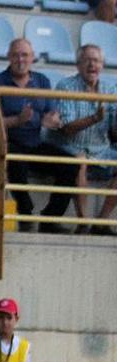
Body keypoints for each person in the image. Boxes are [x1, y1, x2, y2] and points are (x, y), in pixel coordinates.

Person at [0, 38, 75, 234]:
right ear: (9, 57)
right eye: (16, 55)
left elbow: (52, 113)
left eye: (25, 55)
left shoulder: (42, 81)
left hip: (34, 142)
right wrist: (17, 120)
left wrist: (53, 120)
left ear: (32, 58)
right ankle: (26, 214)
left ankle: (50, 219)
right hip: (7, 141)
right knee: (15, 160)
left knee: (71, 164)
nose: (20, 59)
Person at [47, 44, 117, 235]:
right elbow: (68, 129)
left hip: (101, 149)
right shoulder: (66, 86)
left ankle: (101, 221)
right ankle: (83, 222)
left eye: (96, 61)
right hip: (71, 146)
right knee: (79, 161)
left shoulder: (111, 90)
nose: (92, 64)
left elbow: (114, 132)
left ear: (102, 65)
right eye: (87, 60)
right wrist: (94, 118)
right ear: (78, 64)